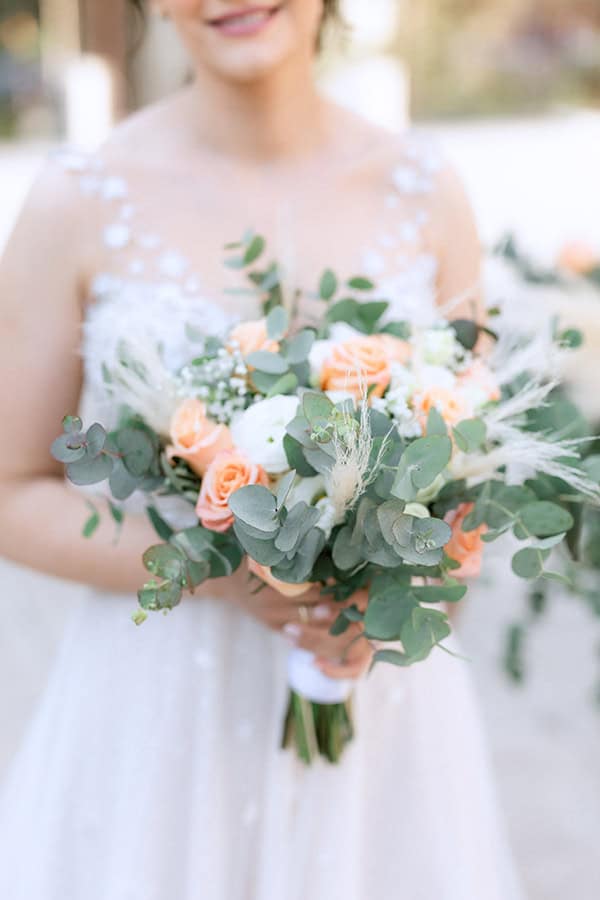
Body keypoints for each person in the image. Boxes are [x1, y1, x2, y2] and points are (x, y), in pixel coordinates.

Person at [0, 2, 523, 897]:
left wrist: (398, 593)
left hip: (384, 724)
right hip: (161, 717)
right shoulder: (75, 200)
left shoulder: (428, 189)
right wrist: (220, 570)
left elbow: (467, 470)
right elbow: (11, 489)